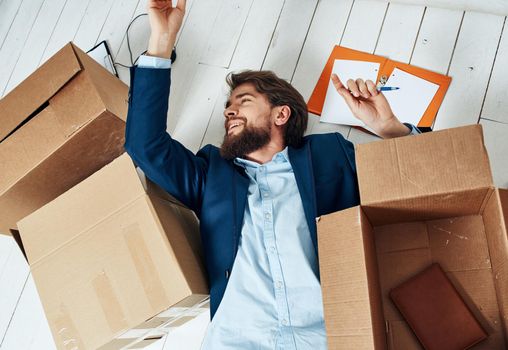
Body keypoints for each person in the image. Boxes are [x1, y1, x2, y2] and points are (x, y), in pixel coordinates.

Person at [124, 1, 421, 349]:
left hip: (333, 336)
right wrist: (161, 42)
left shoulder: (330, 153)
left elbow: (412, 188)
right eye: (228, 105)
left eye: (243, 101)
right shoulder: (211, 174)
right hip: (238, 340)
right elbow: (145, 146)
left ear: (281, 114)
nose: (229, 110)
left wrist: (391, 132)